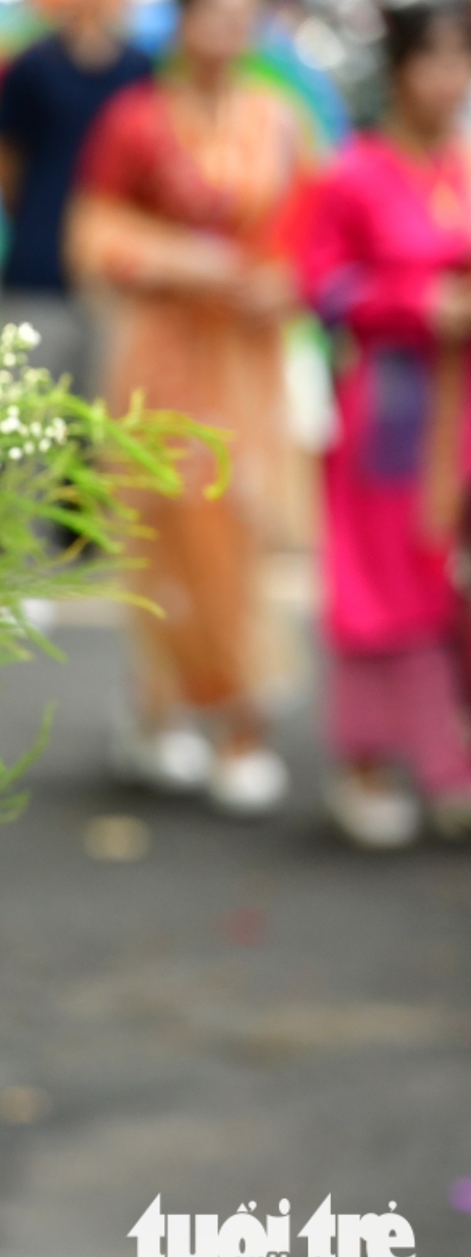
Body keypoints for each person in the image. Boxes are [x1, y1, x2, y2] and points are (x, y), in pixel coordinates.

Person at [68, 0, 309, 815]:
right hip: (162, 358)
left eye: (241, 18)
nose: (227, 33)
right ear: (182, 26)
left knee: (242, 531)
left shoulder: (279, 120)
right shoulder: (136, 121)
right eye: (213, 16)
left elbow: (309, 233)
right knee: (164, 535)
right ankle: (169, 706)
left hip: (249, 360)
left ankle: (237, 720)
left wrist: (282, 284)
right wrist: (187, 263)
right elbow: (92, 235)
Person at [296, 0, 471, 846]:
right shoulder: (354, 172)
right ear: (398, 71)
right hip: (393, 404)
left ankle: (448, 758)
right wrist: (412, 304)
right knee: (381, 578)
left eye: (458, 62)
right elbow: (320, 286)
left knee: (453, 582)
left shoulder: (465, 170)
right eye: (431, 62)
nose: (446, 81)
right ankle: (365, 762)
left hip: (462, 398)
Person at [0, 0, 153, 394]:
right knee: (22, 419)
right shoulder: (30, 68)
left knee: (99, 435)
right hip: (37, 275)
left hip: (114, 282)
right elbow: (4, 168)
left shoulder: (142, 72)